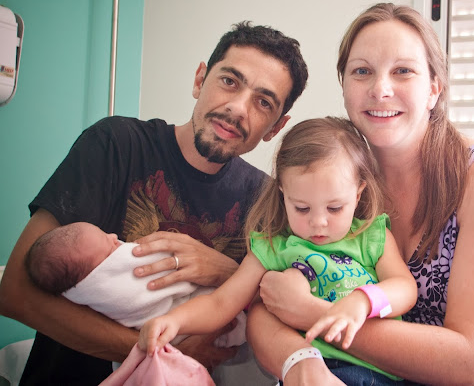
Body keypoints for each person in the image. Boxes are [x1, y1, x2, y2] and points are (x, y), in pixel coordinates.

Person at [247, 3, 474, 385]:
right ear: (344, 87)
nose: (380, 89)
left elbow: (470, 365)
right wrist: (301, 363)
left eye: (403, 71)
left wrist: (315, 314)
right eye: (362, 71)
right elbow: (268, 302)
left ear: (434, 88)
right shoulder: (341, 184)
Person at [0, 21, 308, 385]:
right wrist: (162, 352)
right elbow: (15, 292)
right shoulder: (115, 144)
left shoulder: (269, 201)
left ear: (276, 127)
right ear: (200, 80)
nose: (238, 108)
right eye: (229, 81)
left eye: (263, 102)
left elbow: (285, 307)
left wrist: (226, 272)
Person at [137, 116, 418, 385]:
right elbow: (221, 303)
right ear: (283, 192)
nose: (318, 222)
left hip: (380, 372)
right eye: (302, 208)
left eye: (335, 208)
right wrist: (174, 321)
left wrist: (363, 301)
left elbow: (405, 288)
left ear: (358, 193)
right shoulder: (273, 246)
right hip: (311, 371)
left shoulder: (370, 235)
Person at [24, 222, 246, 356]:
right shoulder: (110, 277)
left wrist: (226, 270)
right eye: (107, 243)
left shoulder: (77, 290)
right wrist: (166, 352)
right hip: (181, 329)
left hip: (185, 330)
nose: (114, 238)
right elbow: (169, 275)